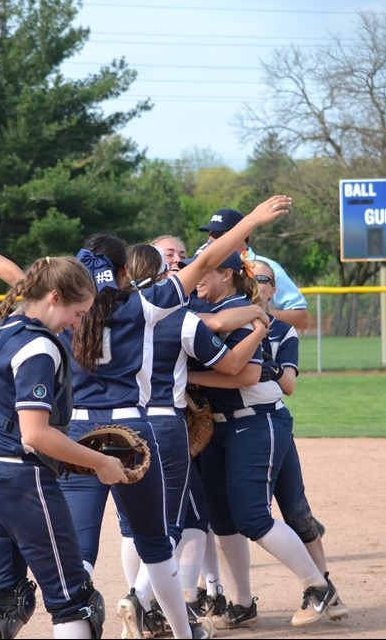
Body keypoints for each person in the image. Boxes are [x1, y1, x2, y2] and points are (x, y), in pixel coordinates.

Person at [0, 195, 294, 640]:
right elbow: (211, 257)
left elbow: (21, 280)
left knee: (76, 543)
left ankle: (78, 593)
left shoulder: (61, 305)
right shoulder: (149, 303)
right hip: (136, 432)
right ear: (123, 272)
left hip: (75, 432)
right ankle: (182, 630)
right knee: (157, 540)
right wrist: (251, 220)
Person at [0, 256, 128, 640]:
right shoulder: (38, 348)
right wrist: (101, 462)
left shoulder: (5, 326)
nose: (78, 323)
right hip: (19, 482)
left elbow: (23, 280)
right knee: (75, 602)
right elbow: (35, 435)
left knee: (3, 599)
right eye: (78, 312)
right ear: (54, 297)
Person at [111, 244, 269, 639]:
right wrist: (259, 320)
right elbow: (232, 363)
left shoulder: (105, 314)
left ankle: (147, 606)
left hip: (114, 428)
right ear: (162, 278)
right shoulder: (175, 317)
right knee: (184, 522)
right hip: (164, 424)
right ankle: (145, 600)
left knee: (132, 525)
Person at [186, 250, 339, 628]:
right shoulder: (212, 310)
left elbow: (246, 376)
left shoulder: (242, 312)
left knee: (252, 516)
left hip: (254, 423)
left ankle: (319, 588)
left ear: (227, 275)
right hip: (218, 427)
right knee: (221, 521)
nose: (197, 278)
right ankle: (241, 603)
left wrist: (189, 380)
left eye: (206, 271)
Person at [199, 208, 310, 331]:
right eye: (209, 234)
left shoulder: (267, 269)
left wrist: (261, 313)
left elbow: (302, 319)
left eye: (217, 234)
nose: (210, 240)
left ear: (242, 234)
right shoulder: (207, 268)